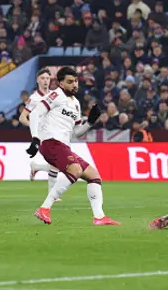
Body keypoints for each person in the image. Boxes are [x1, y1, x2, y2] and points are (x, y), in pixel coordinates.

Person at [27, 66, 120, 226]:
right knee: (75, 170)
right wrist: (35, 138)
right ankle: (44, 208)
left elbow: (77, 133)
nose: (74, 85)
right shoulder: (56, 95)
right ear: (61, 83)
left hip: (64, 146)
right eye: (70, 82)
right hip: (51, 142)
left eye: (76, 81)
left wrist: (90, 121)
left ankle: (99, 217)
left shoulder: (75, 103)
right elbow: (35, 113)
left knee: (94, 175)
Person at [19, 68, 60, 197]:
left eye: (48, 78)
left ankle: (36, 167)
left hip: (55, 132)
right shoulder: (34, 99)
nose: (45, 81)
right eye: (43, 78)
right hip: (42, 135)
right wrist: (35, 128)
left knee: (56, 164)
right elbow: (22, 117)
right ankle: (52, 195)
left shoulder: (54, 95)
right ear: (37, 80)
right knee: (56, 163)